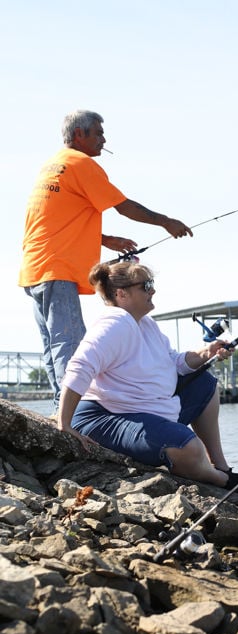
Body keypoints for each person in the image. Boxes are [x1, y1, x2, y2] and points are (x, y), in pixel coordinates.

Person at [18, 109, 193, 409]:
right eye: (98, 133)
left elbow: (56, 219)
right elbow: (124, 206)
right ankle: (74, 414)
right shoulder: (81, 164)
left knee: (51, 346)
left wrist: (103, 239)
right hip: (57, 270)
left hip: (34, 269)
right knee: (69, 344)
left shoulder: (52, 165)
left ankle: (61, 405)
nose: (104, 139)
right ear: (79, 135)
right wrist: (167, 221)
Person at [57, 260, 238, 496]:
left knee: (206, 384)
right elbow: (79, 366)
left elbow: (173, 362)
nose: (152, 290)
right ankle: (219, 479)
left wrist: (208, 352)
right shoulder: (114, 323)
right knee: (189, 448)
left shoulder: (145, 323)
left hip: (144, 409)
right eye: (146, 285)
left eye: (151, 284)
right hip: (104, 415)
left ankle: (220, 465)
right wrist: (64, 423)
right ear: (122, 294)